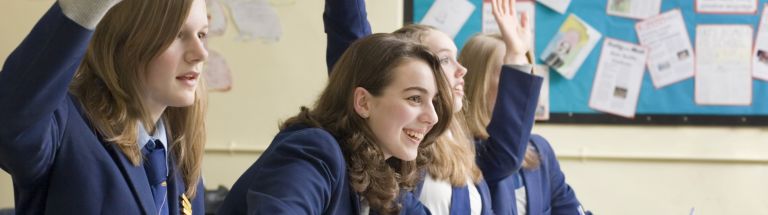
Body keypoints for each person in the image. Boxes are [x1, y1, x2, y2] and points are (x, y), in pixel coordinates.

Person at [324, 0, 542, 214]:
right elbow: (354, 48)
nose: (462, 70)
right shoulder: (394, 139)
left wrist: (515, 55)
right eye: (445, 59)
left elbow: (503, 158)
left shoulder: (456, 141)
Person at [0, 0, 210, 214]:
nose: (201, 53)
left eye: (202, 35)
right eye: (177, 34)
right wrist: (82, 9)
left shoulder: (181, 151)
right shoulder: (64, 125)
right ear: (125, 40)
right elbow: (12, 122)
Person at [216, 33, 454, 215]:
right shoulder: (315, 149)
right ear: (363, 102)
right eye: (414, 98)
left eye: (433, 102)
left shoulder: (382, 173)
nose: (432, 117)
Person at [461, 33, 590, 215]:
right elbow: (504, 156)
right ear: (479, 81)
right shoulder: (461, 153)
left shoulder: (539, 149)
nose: (526, 84)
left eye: (527, 72)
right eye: (512, 73)